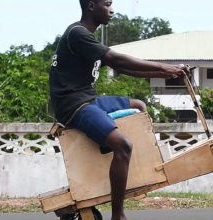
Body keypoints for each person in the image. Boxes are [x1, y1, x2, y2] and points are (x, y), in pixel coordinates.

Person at [49, 0, 189, 219]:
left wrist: (167, 73)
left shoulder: (87, 36)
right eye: (107, 4)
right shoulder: (78, 34)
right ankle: (118, 214)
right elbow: (114, 58)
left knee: (139, 106)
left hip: (89, 99)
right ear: (92, 6)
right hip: (74, 105)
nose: (112, 10)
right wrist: (164, 67)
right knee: (123, 145)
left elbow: (120, 67)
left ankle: (131, 163)